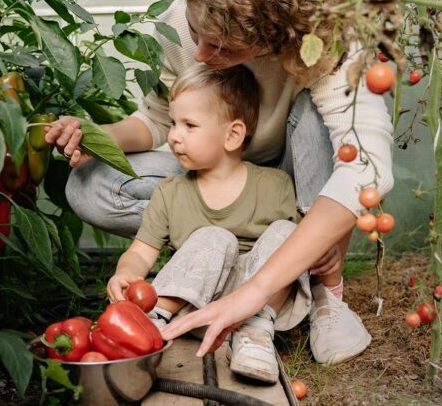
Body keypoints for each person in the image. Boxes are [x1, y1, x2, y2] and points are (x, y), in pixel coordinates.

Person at [45, 0, 394, 364]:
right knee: (90, 185)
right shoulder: (179, 23)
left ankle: (321, 291)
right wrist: (96, 136)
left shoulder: (329, 38)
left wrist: (256, 292)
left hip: (293, 180)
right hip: (213, 167)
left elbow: (367, 166)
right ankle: (217, 260)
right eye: (197, 34)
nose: (201, 54)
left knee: (325, 128)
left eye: (224, 47)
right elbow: (157, 119)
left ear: (273, 38)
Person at [107, 64, 308, 384]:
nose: (173, 136)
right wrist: (125, 274)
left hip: (257, 305)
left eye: (189, 125)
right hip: (192, 304)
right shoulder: (170, 193)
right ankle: (156, 321)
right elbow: (141, 253)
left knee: (289, 234)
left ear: (232, 135)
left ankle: (254, 335)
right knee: (216, 237)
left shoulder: (275, 186)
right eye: (173, 123)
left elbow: (301, 256)